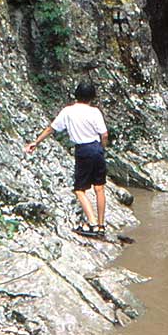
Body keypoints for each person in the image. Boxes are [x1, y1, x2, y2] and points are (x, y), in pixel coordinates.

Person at [24, 81, 109, 237]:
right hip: (96, 149)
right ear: (92, 97)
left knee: (79, 189)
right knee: (99, 188)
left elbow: (52, 128)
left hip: (83, 151)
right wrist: (102, 148)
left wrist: (36, 142)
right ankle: (101, 226)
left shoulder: (68, 111)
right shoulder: (95, 112)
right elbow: (104, 134)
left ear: (76, 95)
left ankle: (92, 224)